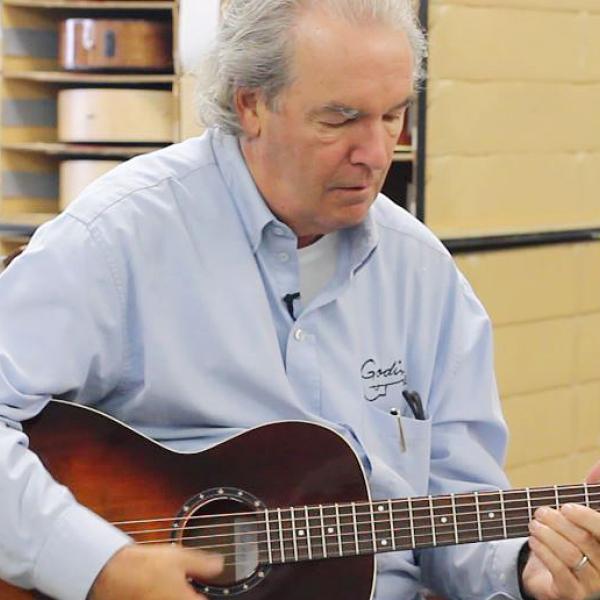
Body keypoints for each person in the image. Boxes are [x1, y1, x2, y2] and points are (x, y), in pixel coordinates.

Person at [0, 0, 599, 599]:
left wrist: (523, 569)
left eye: (392, 116)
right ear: (250, 103)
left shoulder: (422, 274)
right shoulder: (116, 238)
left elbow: (458, 506)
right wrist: (99, 566)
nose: (373, 154)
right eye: (339, 120)